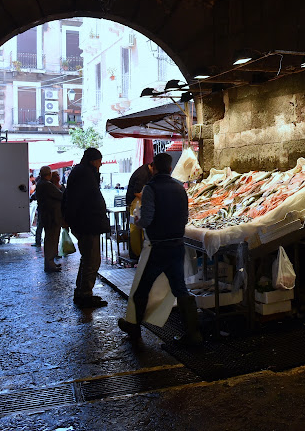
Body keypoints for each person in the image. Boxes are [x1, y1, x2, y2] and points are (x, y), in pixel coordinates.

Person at [118, 152, 202, 346]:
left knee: (142, 289)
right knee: (180, 289)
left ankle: (135, 328)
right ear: (170, 169)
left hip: (159, 247)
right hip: (177, 245)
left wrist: (138, 221)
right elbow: (185, 217)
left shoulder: (151, 188)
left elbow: (147, 219)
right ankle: (194, 334)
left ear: (154, 168)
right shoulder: (180, 188)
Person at [62, 148, 109, 308]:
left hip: (85, 222)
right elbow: (80, 199)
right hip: (87, 223)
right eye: (99, 160)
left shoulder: (81, 172)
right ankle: (85, 295)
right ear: (92, 160)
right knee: (92, 260)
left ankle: (82, 292)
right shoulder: (85, 174)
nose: (100, 164)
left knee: (87, 258)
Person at [35, 166, 63, 272]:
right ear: (49, 174)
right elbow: (60, 195)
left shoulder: (41, 184)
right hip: (51, 216)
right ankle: (50, 263)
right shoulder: (47, 185)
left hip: (47, 216)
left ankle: (50, 263)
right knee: (51, 240)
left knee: (50, 240)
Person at [125, 159, 155, 257]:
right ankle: (137, 254)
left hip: (139, 203)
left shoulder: (147, 170)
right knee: (135, 230)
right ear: (153, 167)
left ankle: (141, 254)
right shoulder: (143, 174)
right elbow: (136, 192)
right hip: (134, 202)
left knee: (140, 230)